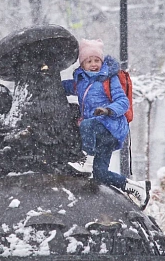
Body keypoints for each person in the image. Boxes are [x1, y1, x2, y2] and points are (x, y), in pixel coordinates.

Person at [62, 38, 146, 207]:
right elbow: (63, 87)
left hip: (110, 126)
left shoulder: (109, 79)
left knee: (86, 125)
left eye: (97, 60)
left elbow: (123, 102)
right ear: (82, 64)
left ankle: (85, 161)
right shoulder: (80, 82)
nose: (94, 64)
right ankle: (136, 187)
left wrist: (107, 110)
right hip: (99, 136)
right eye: (89, 61)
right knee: (100, 174)